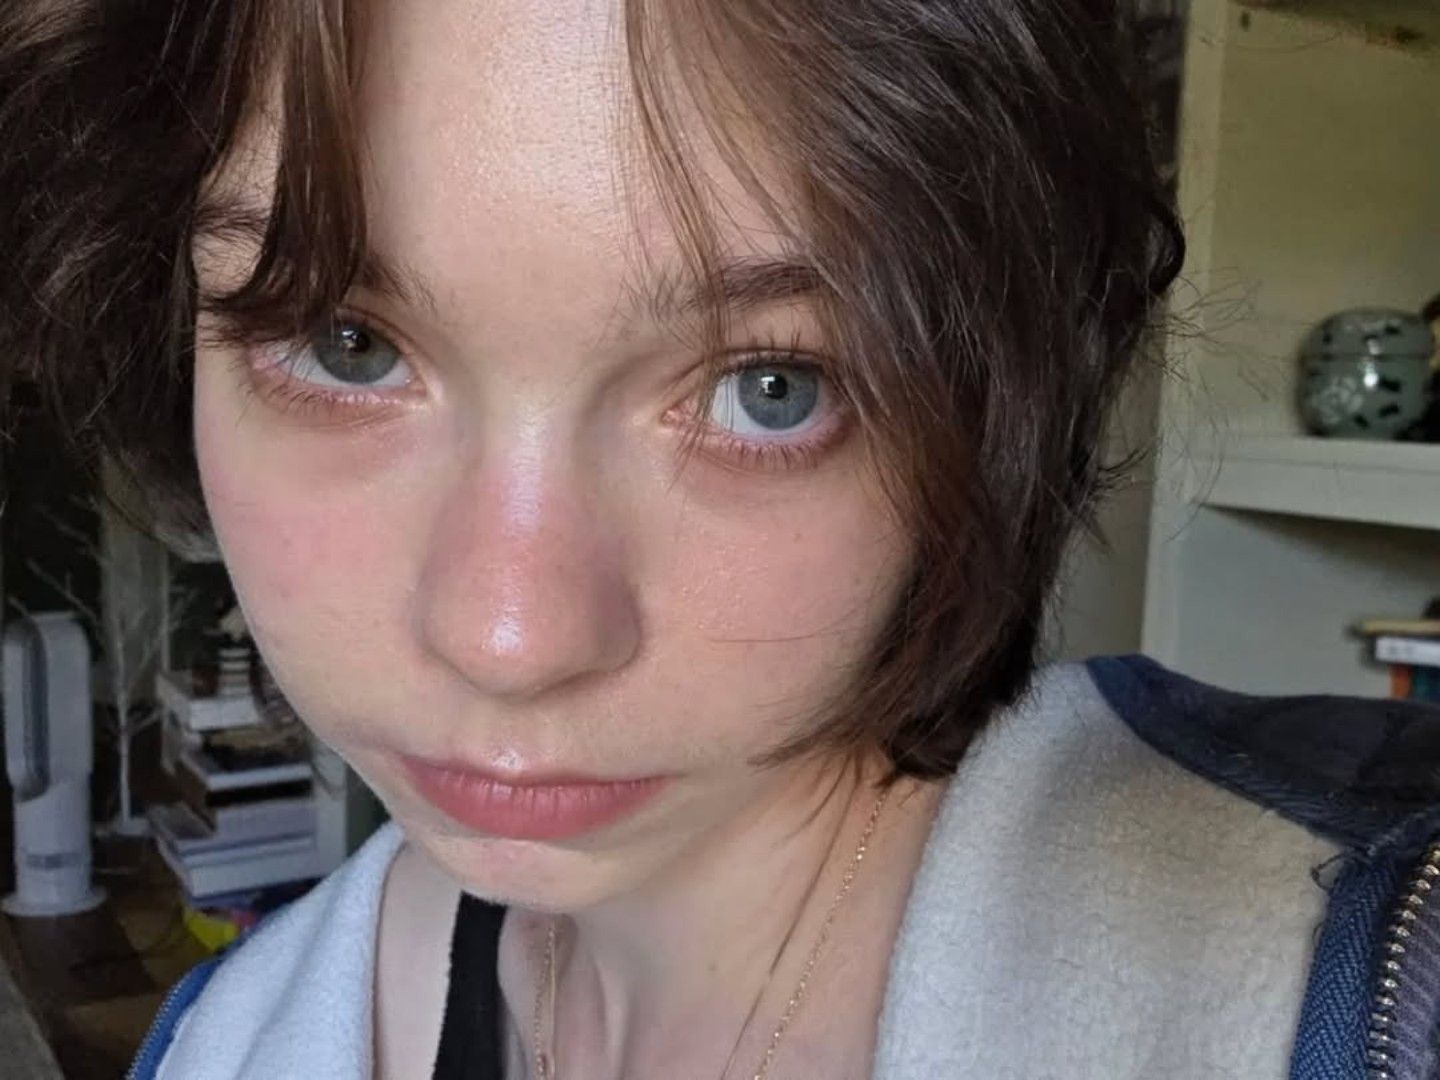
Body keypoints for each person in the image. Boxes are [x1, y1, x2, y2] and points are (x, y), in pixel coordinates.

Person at [3, 2, 1438, 1078]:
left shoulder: (1367, 984)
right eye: (346, 344)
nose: (510, 638)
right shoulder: (230, 1036)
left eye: (771, 387)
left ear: (995, 398)